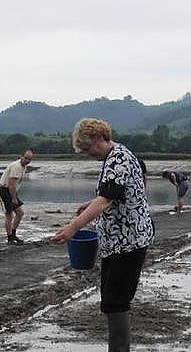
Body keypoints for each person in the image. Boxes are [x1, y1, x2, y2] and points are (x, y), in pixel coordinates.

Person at [51, 118, 154, 352]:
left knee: (115, 303)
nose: (87, 154)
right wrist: (91, 203)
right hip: (122, 242)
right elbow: (120, 192)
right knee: (112, 302)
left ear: (99, 137)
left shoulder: (118, 159)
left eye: (87, 148)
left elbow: (106, 199)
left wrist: (72, 227)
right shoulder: (122, 155)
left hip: (127, 243)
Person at [0, 149, 33, 244]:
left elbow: (14, 186)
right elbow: (11, 184)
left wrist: (14, 196)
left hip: (11, 191)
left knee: (20, 213)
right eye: (25, 158)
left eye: (29, 159)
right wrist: (14, 198)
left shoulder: (23, 166)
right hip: (3, 190)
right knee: (9, 215)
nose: (27, 160)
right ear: (21, 156)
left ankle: (13, 234)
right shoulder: (16, 166)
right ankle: (9, 239)